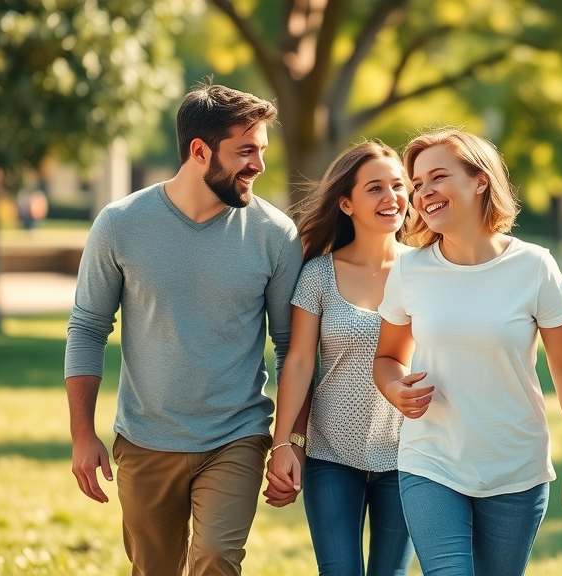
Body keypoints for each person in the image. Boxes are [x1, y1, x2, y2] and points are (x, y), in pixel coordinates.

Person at [64, 82, 303, 576]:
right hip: (146, 436)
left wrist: (288, 443)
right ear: (199, 151)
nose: (258, 164)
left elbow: (292, 348)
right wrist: (82, 434)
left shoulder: (275, 235)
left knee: (216, 558)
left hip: (236, 434)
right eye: (245, 151)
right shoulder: (120, 224)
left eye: (261, 150)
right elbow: (88, 328)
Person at [372, 128, 562, 576]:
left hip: (516, 464)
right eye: (417, 184)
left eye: (437, 177)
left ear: (480, 181)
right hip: (431, 460)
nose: (423, 193)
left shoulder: (534, 266)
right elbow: (387, 359)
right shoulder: (410, 268)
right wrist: (394, 388)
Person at [262, 141, 415, 575]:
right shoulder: (318, 274)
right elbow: (298, 364)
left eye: (398, 185)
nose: (392, 198)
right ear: (345, 203)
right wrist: (283, 444)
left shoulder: (426, 270)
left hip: (409, 455)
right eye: (375, 189)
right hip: (332, 455)